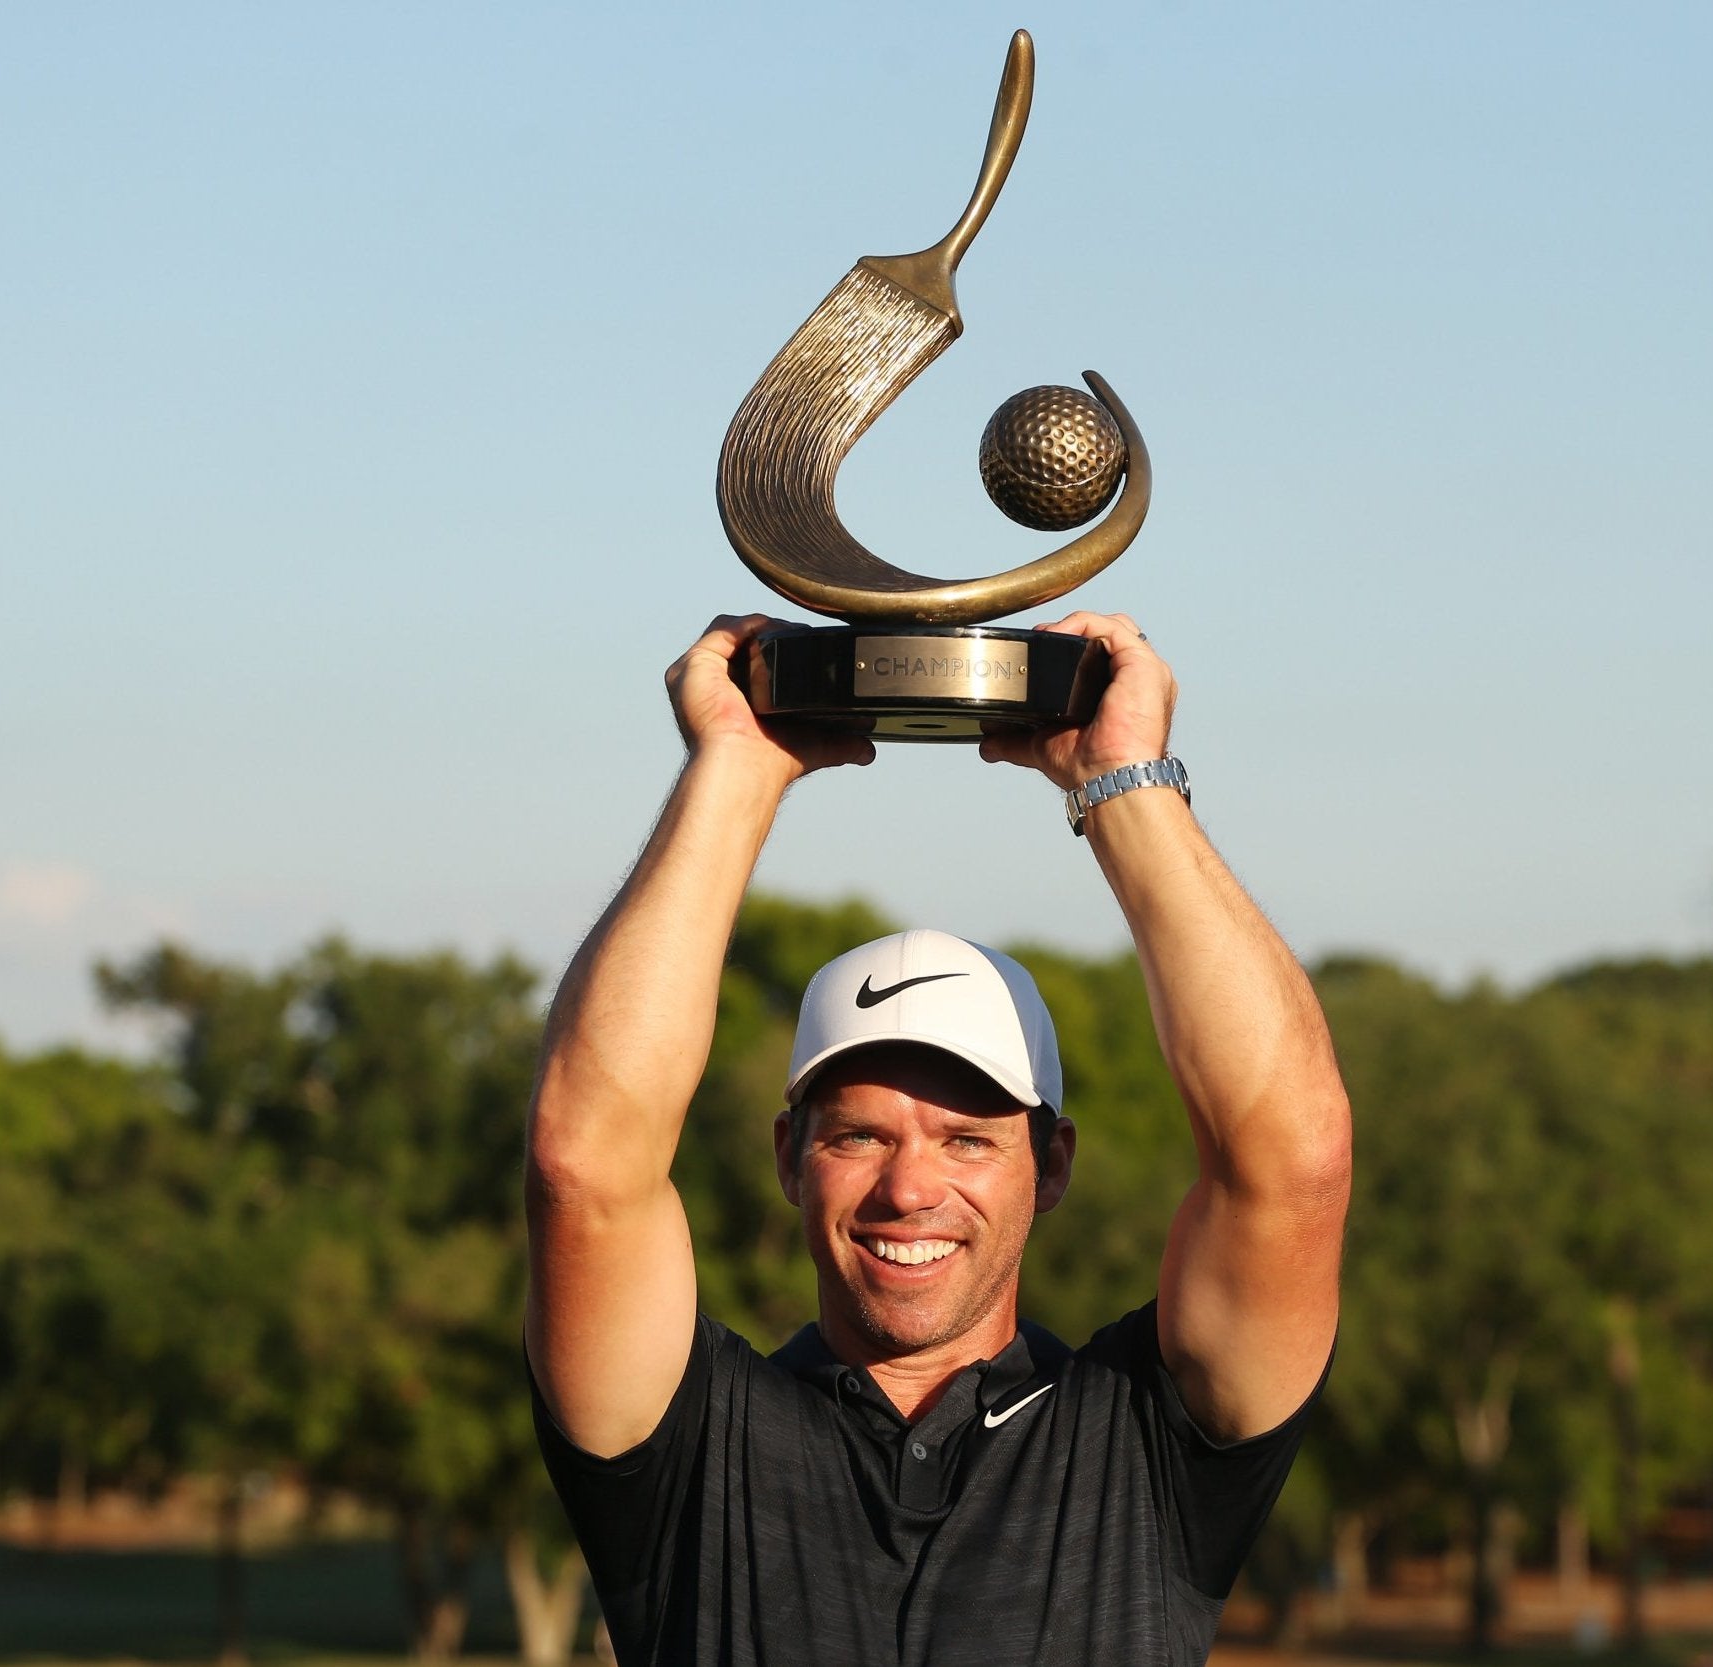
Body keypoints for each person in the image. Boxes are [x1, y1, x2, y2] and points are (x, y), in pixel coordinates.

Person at [524, 610, 1350, 1666]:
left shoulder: (1144, 1438)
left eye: (966, 1138)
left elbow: (1293, 1162)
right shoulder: (687, 1440)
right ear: (786, 1155)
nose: (908, 1188)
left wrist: (1124, 784)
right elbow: (583, 1165)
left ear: (1050, 1165)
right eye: (859, 1135)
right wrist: (733, 771)